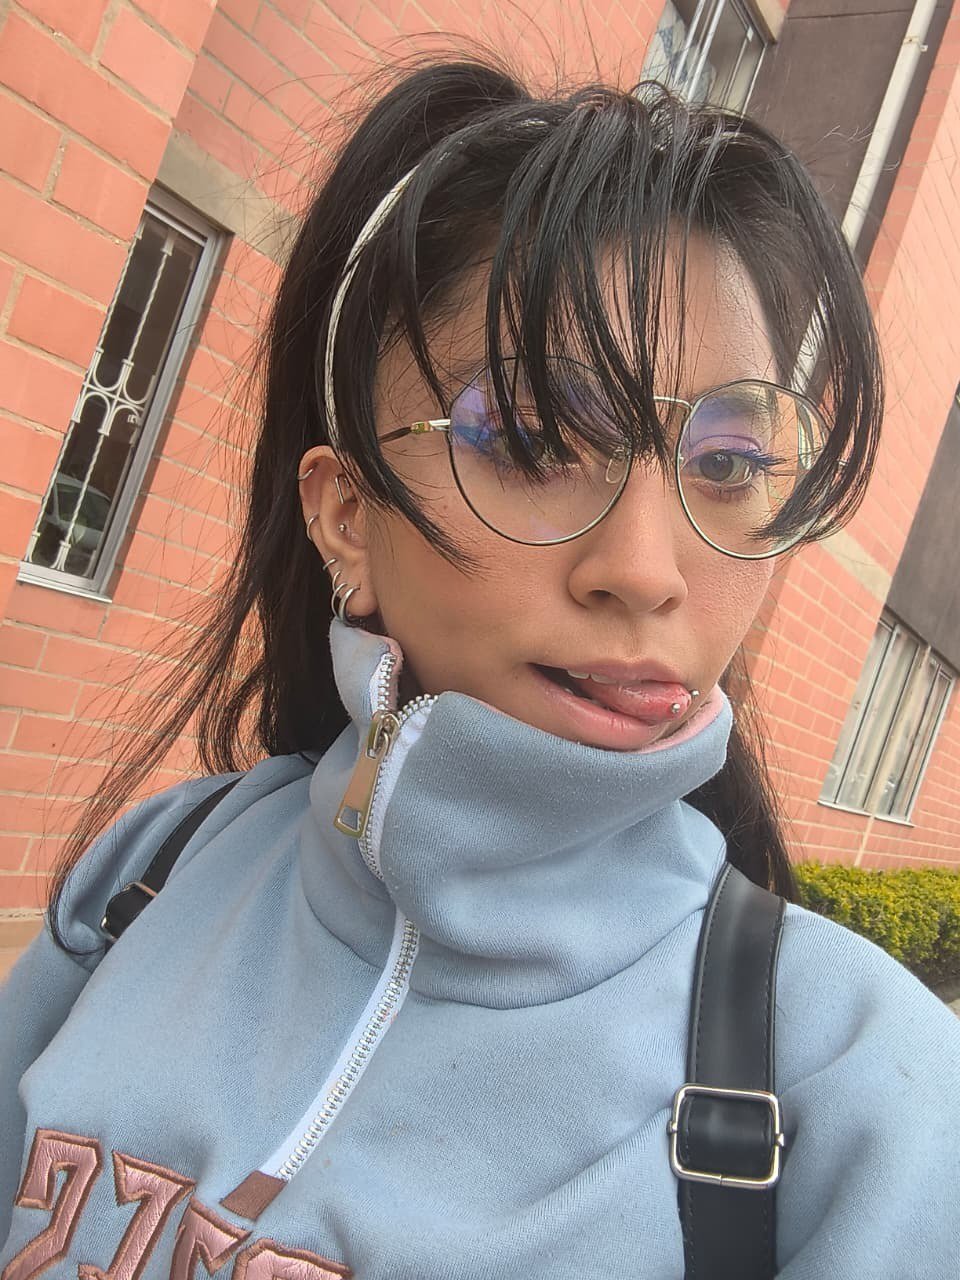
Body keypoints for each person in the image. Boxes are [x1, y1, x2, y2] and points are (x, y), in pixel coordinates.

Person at [1, 57, 958, 1280]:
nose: (647, 570)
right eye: (536, 439)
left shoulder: (860, 1093)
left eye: (725, 464)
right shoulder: (156, 871)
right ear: (347, 515)